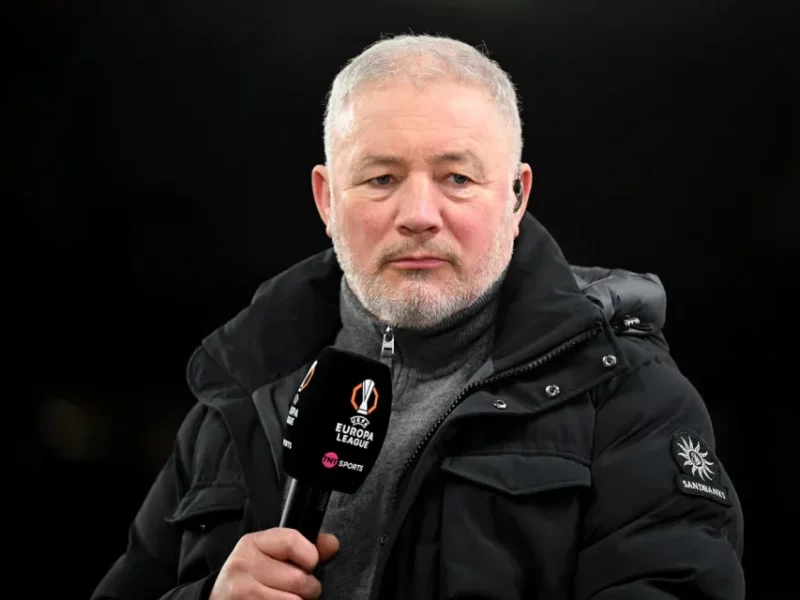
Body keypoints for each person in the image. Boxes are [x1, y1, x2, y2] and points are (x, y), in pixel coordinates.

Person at [92, 34, 745, 600]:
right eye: (381, 179)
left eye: (457, 178)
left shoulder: (627, 396)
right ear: (326, 199)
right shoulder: (239, 393)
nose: (419, 215)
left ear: (516, 196)